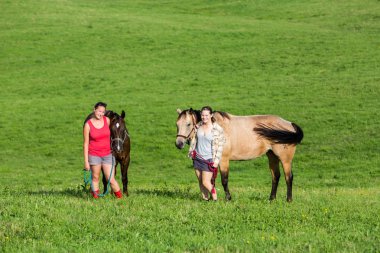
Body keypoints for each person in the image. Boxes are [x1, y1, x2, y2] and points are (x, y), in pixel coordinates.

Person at [83, 102, 122, 199]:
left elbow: (115, 133)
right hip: (94, 155)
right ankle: (96, 199)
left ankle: (120, 199)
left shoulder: (107, 120)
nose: (101, 113)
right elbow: (86, 144)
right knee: (95, 178)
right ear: (94, 109)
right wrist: (86, 162)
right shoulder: (88, 125)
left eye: (103, 112)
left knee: (111, 179)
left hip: (107, 155)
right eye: (99, 111)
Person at [189, 106, 226, 201]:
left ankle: (215, 199)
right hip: (197, 157)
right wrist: (191, 150)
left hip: (208, 159)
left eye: (206, 115)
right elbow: (193, 139)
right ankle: (205, 199)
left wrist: (216, 161)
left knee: (206, 182)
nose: (204, 117)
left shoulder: (217, 129)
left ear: (211, 115)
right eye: (202, 115)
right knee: (200, 181)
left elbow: (220, 146)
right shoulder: (198, 126)